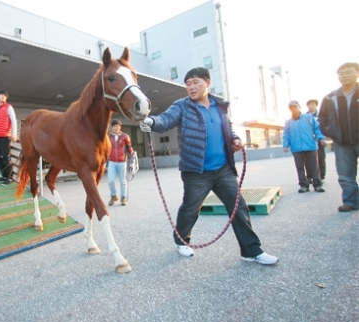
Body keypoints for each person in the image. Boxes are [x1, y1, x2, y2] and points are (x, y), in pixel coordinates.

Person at [139, 67, 278, 265]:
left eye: (195, 82)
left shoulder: (219, 106)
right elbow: (165, 120)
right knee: (190, 209)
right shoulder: (182, 106)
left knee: (239, 208)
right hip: (196, 171)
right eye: (187, 84)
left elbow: (227, 128)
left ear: (207, 83)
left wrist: (236, 138)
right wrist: (151, 122)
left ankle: (251, 251)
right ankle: (181, 241)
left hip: (223, 169)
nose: (191, 87)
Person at [318, 62, 359, 212]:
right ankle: (351, 201)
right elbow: (322, 118)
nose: (345, 76)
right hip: (341, 142)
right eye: (341, 73)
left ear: (357, 73)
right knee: (345, 174)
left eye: (349, 72)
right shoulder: (330, 98)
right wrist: (330, 131)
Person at [283, 100, 327, 193]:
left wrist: (321, 138)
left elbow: (317, 129)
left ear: (299, 107)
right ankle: (304, 185)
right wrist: (285, 145)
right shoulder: (288, 122)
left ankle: (318, 185)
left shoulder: (309, 117)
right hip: (296, 148)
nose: (293, 109)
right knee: (300, 168)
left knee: (314, 167)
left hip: (310, 146)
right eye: (291, 108)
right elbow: (286, 135)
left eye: (295, 107)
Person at [107, 119, 134, 206]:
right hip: (112, 162)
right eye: (114, 126)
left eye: (117, 126)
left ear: (120, 127)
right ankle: (114, 196)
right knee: (110, 180)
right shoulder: (108, 137)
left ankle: (123, 198)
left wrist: (132, 154)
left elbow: (129, 147)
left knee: (123, 181)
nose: (116, 128)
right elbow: (105, 149)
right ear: (112, 127)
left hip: (122, 162)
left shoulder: (125, 136)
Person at [306, 99, 327, 182]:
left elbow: (325, 125)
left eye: (313, 104)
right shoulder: (305, 116)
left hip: (319, 139)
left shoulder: (321, 115)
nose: (311, 106)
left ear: (316, 105)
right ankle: (310, 176)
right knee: (308, 159)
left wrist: (323, 136)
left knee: (321, 157)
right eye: (309, 105)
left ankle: (321, 175)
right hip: (309, 140)